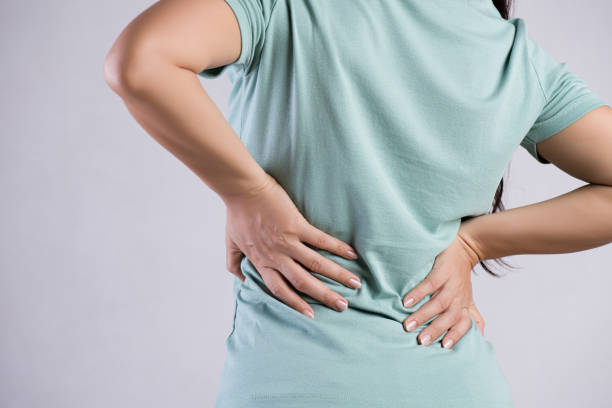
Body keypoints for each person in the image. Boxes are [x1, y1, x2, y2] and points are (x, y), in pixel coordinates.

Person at [104, 0, 612, 406]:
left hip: (295, 384)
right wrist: (474, 242)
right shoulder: (516, 59)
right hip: (458, 384)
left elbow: (141, 59)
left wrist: (249, 194)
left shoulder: (292, 7)